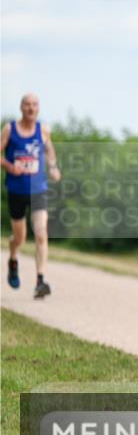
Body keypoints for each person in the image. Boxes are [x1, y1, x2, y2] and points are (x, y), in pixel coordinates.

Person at [2, 93, 60, 299]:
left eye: (35, 105)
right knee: (19, 238)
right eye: (27, 104)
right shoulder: (9, 129)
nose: (31, 108)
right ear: (21, 107)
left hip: (38, 190)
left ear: (38, 108)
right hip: (16, 190)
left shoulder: (43, 130)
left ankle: (40, 281)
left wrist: (53, 167)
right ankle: (13, 259)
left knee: (41, 233)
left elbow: (49, 150)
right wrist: (10, 167)